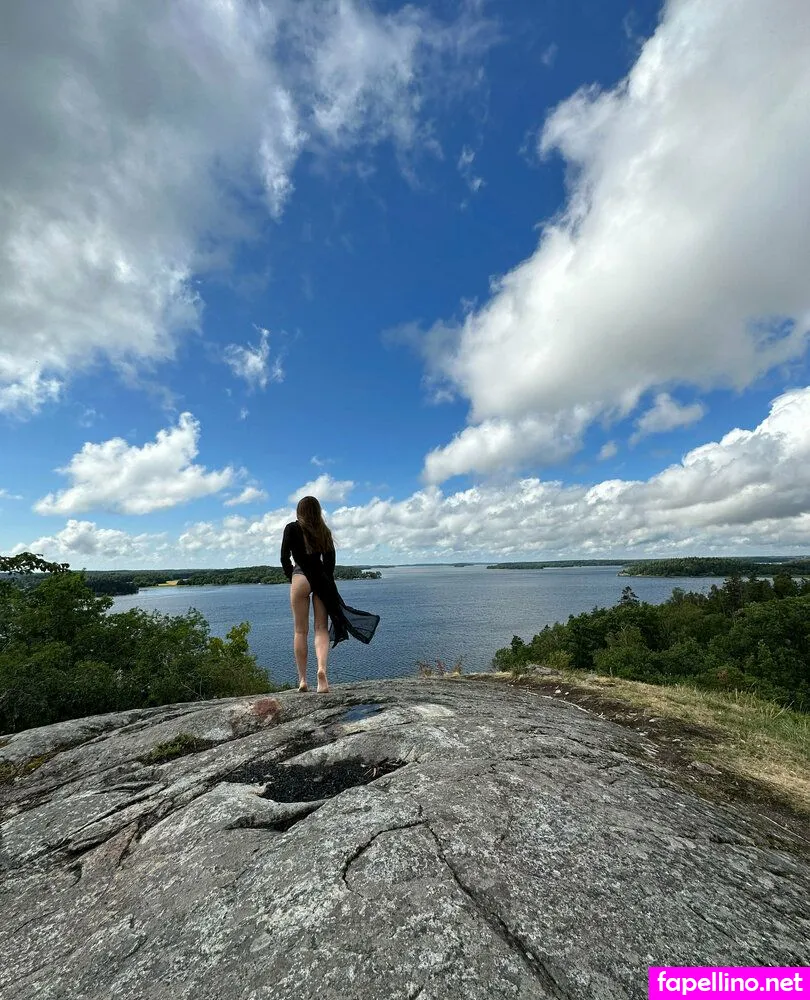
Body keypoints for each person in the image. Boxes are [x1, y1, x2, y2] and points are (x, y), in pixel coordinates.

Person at [280, 496, 380, 693]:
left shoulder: (291, 528)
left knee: (300, 631)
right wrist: (325, 583)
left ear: (299, 511)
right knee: (321, 629)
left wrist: (291, 576)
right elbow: (330, 563)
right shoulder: (323, 530)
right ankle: (322, 672)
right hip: (321, 579)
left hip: (300, 577)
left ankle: (302, 680)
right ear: (318, 511)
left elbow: (284, 557)